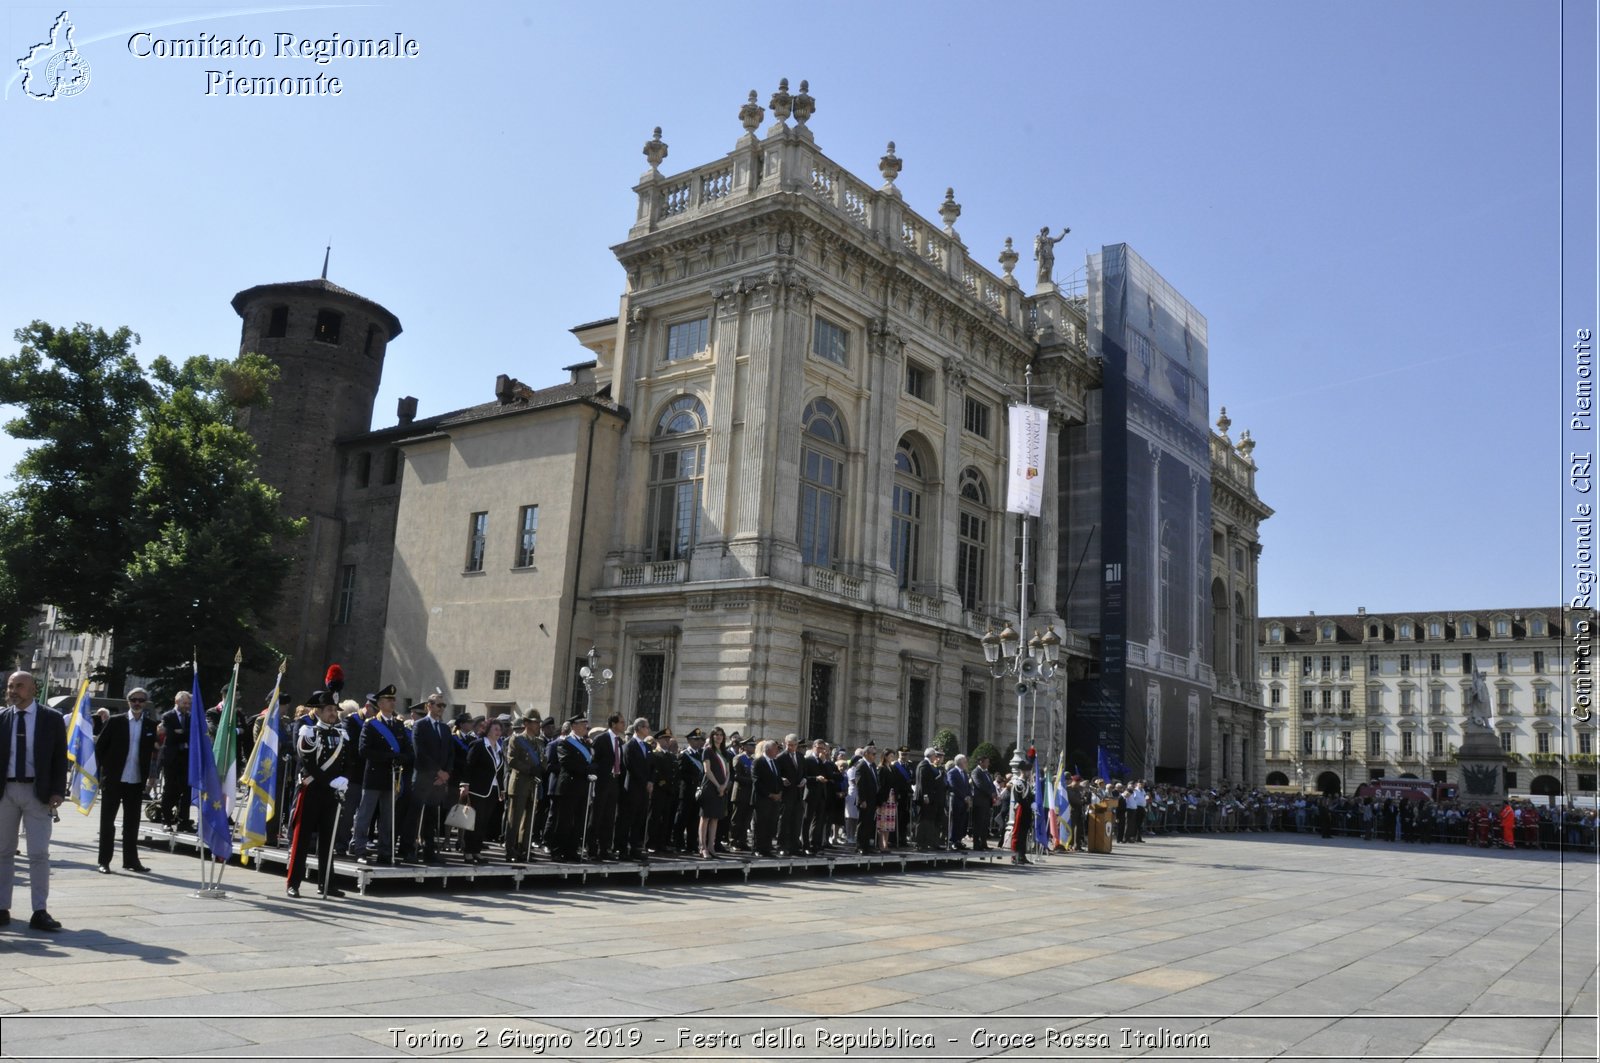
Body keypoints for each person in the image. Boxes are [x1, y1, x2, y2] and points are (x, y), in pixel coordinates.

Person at [1, 672, 67, 931]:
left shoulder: (50, 719)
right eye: (10, 686)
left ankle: (39, 911)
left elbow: (60, 758)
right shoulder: (2, 717)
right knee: (3, 852)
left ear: (32, 688)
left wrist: (58, 791)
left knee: (38, 853)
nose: (13, 690)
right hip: (5, 791)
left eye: (18, 686)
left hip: (37, 793)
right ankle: (1, 907)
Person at [286, 692, 349, 899]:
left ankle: (326, 883)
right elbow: (308, 764)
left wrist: (343, 780)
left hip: (331, 794)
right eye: (329, 710)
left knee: (328, 840)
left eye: (335, 710)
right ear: (319, 711)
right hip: (312, 790)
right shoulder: (308, 732)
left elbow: (346, 762)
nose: (333, 713)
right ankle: (293, 883)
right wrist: (331, 780)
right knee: (302, 838)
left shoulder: (341, 735)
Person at [93, 686, 157, 874]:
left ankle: (131, 860)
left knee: (132, 823)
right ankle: (104, 861)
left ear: (145, 703)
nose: (137, 703)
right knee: (107, 822)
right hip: (114, 779)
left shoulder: (150, 725)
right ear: (128, 701)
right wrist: (106, 771)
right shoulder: (115, 721)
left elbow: (150, 752)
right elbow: (100, 748)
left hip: (136, 780)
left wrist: (150, 776)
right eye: (133, 700)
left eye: (141, 700)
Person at [350, 685, 413, 866]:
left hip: (392, 778)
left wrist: (402, 758)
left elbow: (409, 751)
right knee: (365, 816)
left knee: (387, 818)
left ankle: (385, 852)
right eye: (388, 700)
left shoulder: (399, 725)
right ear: (379, 703)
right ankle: (359, 849)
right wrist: (390, 757)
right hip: (374, 776)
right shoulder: (371, 725)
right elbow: (364, 750)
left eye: (393, 700)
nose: (392, 703)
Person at [403, 693, 455, 865]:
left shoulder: (445, 728)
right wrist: (437, 772)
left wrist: (446, 773)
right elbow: (420, 752)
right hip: (423, 777)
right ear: (429, 706)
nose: (441, 708)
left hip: (439, 781)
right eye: (438, 705)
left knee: (431, 817)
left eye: (443, 705)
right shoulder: (420, 725)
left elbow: (450, 753)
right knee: (414, 815)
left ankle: (429, 851)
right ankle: (408, 849)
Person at [549, 714, 596, 862]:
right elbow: (567, 762)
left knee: (578, 821)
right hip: (568, 786)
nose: (585, 727)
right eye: (583, 724)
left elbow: (590, 761)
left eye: (586, 724)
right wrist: (588, 770)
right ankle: (557, 851)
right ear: (574, 726)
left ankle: (571, 850)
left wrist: (592, 769)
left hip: (582, 786)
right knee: (564, 821)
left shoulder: (586, 743)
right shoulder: (565, 742)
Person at [461, 718, 505, 864]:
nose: (498, 732)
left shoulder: (499, 748)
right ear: (487, 730)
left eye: (499, 729)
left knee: (484, 822)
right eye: (495, 729)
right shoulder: (479, 744)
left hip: (492, 790)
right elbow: (468, 765)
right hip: (478, 789)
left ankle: (477, 851)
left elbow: (500, 771)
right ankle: (468, 851)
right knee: (474, 821)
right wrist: (465, 784)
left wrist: (501, 789)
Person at [505, 713, 545, 862]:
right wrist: (530, 769)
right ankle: (510, 850)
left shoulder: (539, 742)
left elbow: (543, 759)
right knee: (514, 820)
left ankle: (524, 849)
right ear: (526, 723)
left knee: (529, 820)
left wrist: (541, 768)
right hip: (520, 784)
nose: (538, 726)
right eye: (535, 723)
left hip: (533, 785)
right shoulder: (517, 739)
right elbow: (512, 760)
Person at [589, 714, 624, 861]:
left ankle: (604, 849)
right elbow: (594, 761)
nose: (623, 725)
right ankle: (591, 849)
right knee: (597, 816)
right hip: (602, 782)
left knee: (609, 817)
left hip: (614, 782)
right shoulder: (601, 739)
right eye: (621, 722)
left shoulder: (620, 741)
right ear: (613, 724)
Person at [157, 689, 193, 831]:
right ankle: (166, 819)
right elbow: (171, 737)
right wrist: (183, 734)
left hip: (186, 759)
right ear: (177, 702)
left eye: (188, 703)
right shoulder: (168, 716)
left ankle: (184, 820)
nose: (187, 706)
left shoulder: (190, 717)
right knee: (170, 789)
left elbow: (192, 735)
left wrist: (182, 733)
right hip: (172, 759)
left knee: (186, 790)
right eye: (184, 703)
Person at [619, 717, 653, 862]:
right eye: (646, 727)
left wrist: (651, 781)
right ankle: (622, 849)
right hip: (632, 787)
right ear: (638, 728)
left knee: (639, 819)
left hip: (644, 789)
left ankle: (635, 848)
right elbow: (630, 766)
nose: (648, 730)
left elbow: (652, 767)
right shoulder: (630, 745)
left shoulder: (647, 746)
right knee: (628, 819)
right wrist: (644, 781)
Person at [698, 727, 731, 858]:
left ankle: (711, 846)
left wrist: (723, 786)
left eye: (721, 735)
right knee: (705, 817)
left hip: (721, 789)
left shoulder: (725, 753)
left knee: (715, 818)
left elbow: (728, 772)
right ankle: (702, 847)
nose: (718, 737)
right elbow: (707, 771)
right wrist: (718, 785)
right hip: (710, 788)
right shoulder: (708, 751)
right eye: (716, 735)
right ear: (712, 736)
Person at [801, 738, 833, 855]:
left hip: (821, 794)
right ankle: (805, 845)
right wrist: (815, 778)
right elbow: (804, 777)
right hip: (810, 794)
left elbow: (829, 776)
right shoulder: (808, 760)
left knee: (818, 821)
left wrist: (824, 761)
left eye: (823, 748)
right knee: (807, 820)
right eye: (819, 748)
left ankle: (816, 844)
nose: (821, 750)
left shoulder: (823, 761)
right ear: (813, 747)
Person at [753, 738, 783, 857]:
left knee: (771, 824)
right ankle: (758, 849)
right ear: (768, 749)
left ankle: (767, 848)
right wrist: (770, 794)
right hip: (763, 799)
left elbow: (779, 779)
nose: (777, 751)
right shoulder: (758, 762)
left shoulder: (775, 762)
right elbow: (756, 781)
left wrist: (779, 793)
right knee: (760, 824)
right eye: (775, 748)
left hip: (775, 800)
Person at [914, 748, 947, 851]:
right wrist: (925, 796)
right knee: (923, 820)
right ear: (931, 756)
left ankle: (929, 842)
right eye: (935, 755)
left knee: (929, 821)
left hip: (931, 798)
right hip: (925, 798)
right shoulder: (924, 765)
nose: (936, 758)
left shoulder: (928, 765)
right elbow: (923, 783)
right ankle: (920, 843)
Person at [728, 736, 756, 851]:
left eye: (754, 745)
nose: (753, 747)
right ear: (744, 747)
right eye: (751, 745)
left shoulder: (753, 760)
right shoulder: (738, 758)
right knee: (736, 819)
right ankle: (734, 841)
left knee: (746, 820)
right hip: (740, 793)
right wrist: (751, 781)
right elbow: (736, 776)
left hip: (749, 794)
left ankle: (743, 841)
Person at [852, 743, 879, 855]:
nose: (875, 756)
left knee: (869, 824)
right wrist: (862, 800)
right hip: (865, 800)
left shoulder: (872, 765)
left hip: (872, 799)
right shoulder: (861, 765)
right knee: (863, 823)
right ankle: (860, 846)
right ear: (866, 754)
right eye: (873, 754)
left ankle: (867, 845)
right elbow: (860, 785)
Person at [1008, 754, 1034, 865]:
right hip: (1021, 810)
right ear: (1023, 771)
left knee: (1024, 834)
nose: (1030, 773)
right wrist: (1030, 805)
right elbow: (1020, 799)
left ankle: (1022, 855)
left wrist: (1034, 802)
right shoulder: (1018, 783)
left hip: (1027, 811)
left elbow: (1030, 797)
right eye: (1028, 771)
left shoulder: (1026, 783)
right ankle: (1015, 856)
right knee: (1018, 833)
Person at [970, 753, 996, 851]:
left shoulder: (987, 773)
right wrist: (991, 793)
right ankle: (976, 844)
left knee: (985, 824)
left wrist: (994, 793)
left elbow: (991, 784)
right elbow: (980, 785)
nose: (988, 764)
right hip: (979, 802)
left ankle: (984, 843)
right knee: (978, 824)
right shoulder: (976, 772)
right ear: (981, 762)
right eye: (987, 762)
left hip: (986, 802)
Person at [946, 753, 972, 851]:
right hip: (956, 801)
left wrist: (968, 796)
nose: (966, 763)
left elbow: (967, 787)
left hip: (964, 802)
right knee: (955, 821)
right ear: (960, 762)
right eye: (965, 761)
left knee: (962, 822)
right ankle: (952, 841)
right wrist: (964, 797)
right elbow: (953, 787)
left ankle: (958, 840)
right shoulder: (952, 772)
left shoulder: (964, 773)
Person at [876, 749, 899, 852]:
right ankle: (881, 845)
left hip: (892, 797)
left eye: (893, 756)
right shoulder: (881, 768)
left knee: (889, 822)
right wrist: (881, 799)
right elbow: (880, 785)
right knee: (882, 823)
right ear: (885, 757)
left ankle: (886, 844)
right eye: (890, 756)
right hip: (885, 798)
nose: (892, 758)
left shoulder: (892, 768)